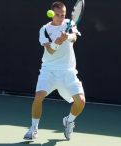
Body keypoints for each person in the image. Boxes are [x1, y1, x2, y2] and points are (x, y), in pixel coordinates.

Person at [24, 1, 86, 140]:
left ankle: (69, 121)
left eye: (63, 15)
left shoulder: (70, 23)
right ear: (52, 14)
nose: (60, 17)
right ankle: (34, 128)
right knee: (38, 96)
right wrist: (57, 42)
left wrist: (67, 37)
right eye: (57, 15)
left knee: (81, 101)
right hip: (49, 70)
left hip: (68, 71)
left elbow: (74, 37)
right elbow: (50, 50)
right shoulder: (44, 29)